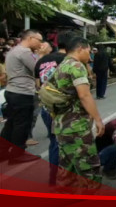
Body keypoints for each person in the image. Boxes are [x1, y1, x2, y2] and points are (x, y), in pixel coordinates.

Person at [52, 37, 105, 188]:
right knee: (89, 168)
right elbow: (84, 95)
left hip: (62, 125)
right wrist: (98, 120)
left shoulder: (62, 65)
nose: (90, 55)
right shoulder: (76, 66)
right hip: (76, 127)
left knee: (66, 167)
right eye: (89, 51)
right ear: (80, 49)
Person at [0, 29, 43, 164]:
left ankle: (3, 151)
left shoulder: (14, 50)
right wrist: (42, 54)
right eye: (39, 40)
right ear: (30, 38)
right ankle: (18, 154)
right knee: (22, 124)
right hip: (22, 92)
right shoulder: (25, 52)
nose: (41, 43)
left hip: (12, 91)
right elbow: (38, 68)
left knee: (11, 123)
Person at [34, 31, 71, 185]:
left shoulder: (42, 60)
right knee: (65, 143)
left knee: (53, 142)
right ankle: (60, 179)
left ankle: (53, 177)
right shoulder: (69, 61)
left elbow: (37, 85)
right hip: (62, 108)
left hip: (46, 107)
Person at [27, 41, 53, 146]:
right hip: (33, 90)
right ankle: (28, 137)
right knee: (33, 114)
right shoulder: (34, 57)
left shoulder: (51, 58)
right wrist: (40, 55)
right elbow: (35, 70)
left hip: (46, 90)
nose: (42, 46)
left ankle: (50, 131)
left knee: (46, 112)